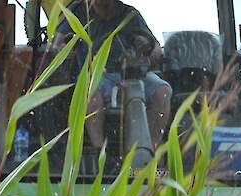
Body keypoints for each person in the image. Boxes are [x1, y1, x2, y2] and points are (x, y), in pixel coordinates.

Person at [55, 0, 172, 149]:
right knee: (91, 93)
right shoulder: (77, 12)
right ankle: (100, 154)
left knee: (162, 91)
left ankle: (151, 151)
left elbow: (156, 49)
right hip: (97, 74)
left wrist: (146, 46)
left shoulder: (131, 15)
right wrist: (65, 49)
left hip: (134, 74)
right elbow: (56, 45)